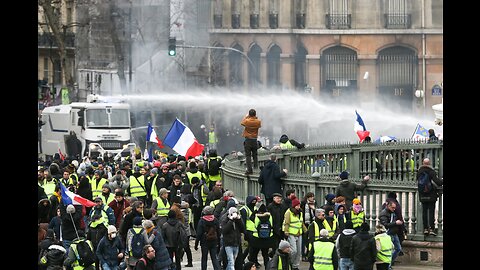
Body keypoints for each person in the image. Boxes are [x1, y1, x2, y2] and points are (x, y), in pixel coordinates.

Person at [417, 158, 443, 236]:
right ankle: (431, 229)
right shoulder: (431, 171)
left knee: (424, 212)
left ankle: (425, 229)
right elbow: (438, 182)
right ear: (429, 163)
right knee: (431, 212)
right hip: (431, 195)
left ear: (423, 163)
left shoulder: (419, 172)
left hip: (422, 195)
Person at [283, 196, 307, 270]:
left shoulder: (300, 212)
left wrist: (305, 230)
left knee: (299, 252)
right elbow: (286, 223)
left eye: (299, 205)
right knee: (293, 251)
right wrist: (286, 232)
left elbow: (301, 222)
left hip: (299, 233)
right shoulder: (288, 212)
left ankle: (295, 266)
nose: (298, 207)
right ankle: (290, 263)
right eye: (297, 205)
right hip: (291, 233)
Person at [195, 206, 221, 270]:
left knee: (204, 258)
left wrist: (196, 244)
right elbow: (219, 232)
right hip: (214, 241)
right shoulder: (215, 220)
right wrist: (218, 242)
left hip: (204, 241)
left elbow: (199, 234)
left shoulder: (201, 221)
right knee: (214, 258)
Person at [379, 201, 402, 268]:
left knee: (398, 249)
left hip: (394, 233)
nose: (394, 209)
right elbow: (385, 225)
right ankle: (388, 265)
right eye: (392, 207)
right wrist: (395, 223)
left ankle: (390, 262)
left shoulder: (392, 212)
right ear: (388, 206)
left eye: (395, 208)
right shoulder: (383, 214)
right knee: (389, 250)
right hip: (388, 234)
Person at [241, 108, 262, 175]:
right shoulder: (258, 121)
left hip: (248, 140)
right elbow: (259, 125)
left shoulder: (247, 121)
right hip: (254, 140)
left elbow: (242, 123)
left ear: (249, 114)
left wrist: (246, 116)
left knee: (248, 156)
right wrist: (255, 117)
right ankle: (256, 168)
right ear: (255, 114)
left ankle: (249, 170)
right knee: (255, 155)